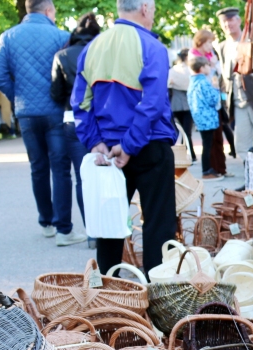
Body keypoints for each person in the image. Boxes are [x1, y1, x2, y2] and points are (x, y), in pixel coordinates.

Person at [72, 0, 177, 274]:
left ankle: (107, 289)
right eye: (153, 8)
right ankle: (156, 290)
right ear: (144, 8)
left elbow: (80, 104)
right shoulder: (152, 47)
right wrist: (128, 145)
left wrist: (95, 142)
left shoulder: (92, 48)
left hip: (107, 149)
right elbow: (153, 104)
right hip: (149, 145)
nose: (153, 14)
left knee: (109, 226)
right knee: (158, 224)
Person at [0, 0, 80, 243]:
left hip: (26, 112)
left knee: (38, 168)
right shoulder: (62, 36)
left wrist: (17, 96)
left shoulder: (8, 37)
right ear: (48, 10)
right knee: (61, 169)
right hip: (56, 111)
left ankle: (46, 222)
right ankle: (64, 230)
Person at [51, 12, 101, 229]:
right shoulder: (103, 51)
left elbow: (56, 92)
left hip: (73, 119)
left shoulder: (62, 55)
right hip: (103, 119)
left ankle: (92, 232)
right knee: (109, 174)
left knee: (83, 177)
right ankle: (111, 229)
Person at [217, 7, 253, 156]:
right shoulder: (222, 47)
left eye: (230, 20)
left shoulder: (251, 41)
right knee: (241, 144)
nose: (227, 25)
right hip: (236, 101)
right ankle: (248, 170)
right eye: (224, 22)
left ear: (239, 21)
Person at [192, 28, 233, 174]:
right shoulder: (195, 59)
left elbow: (219, 75)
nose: (211, 46)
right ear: (201, 41)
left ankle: (220, 168)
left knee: (218, 138)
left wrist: (215, 66)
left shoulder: (211, 56)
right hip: (206, 106)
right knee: (209, 141)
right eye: (208, 42)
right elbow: (208, 89)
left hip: (214, 105)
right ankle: (210, 169)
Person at [187, 54, 223, 180]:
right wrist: (216, 88)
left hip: (199, 117)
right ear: (201, 68)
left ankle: (208, 169)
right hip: (207, 118)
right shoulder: (204, 82)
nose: (209, 67)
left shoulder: (192, 82)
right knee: (208, 145)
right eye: (207, 65)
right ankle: (206, 170)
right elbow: (213, 99)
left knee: (207, 144)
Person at [169, 48, 197, 163]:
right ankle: (191, 155)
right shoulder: (189, 70)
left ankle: (184, 154)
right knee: (187, 132)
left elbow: (169, 84)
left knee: (179, 132)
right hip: (186, 104)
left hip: (175, 104)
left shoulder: (172, 70)